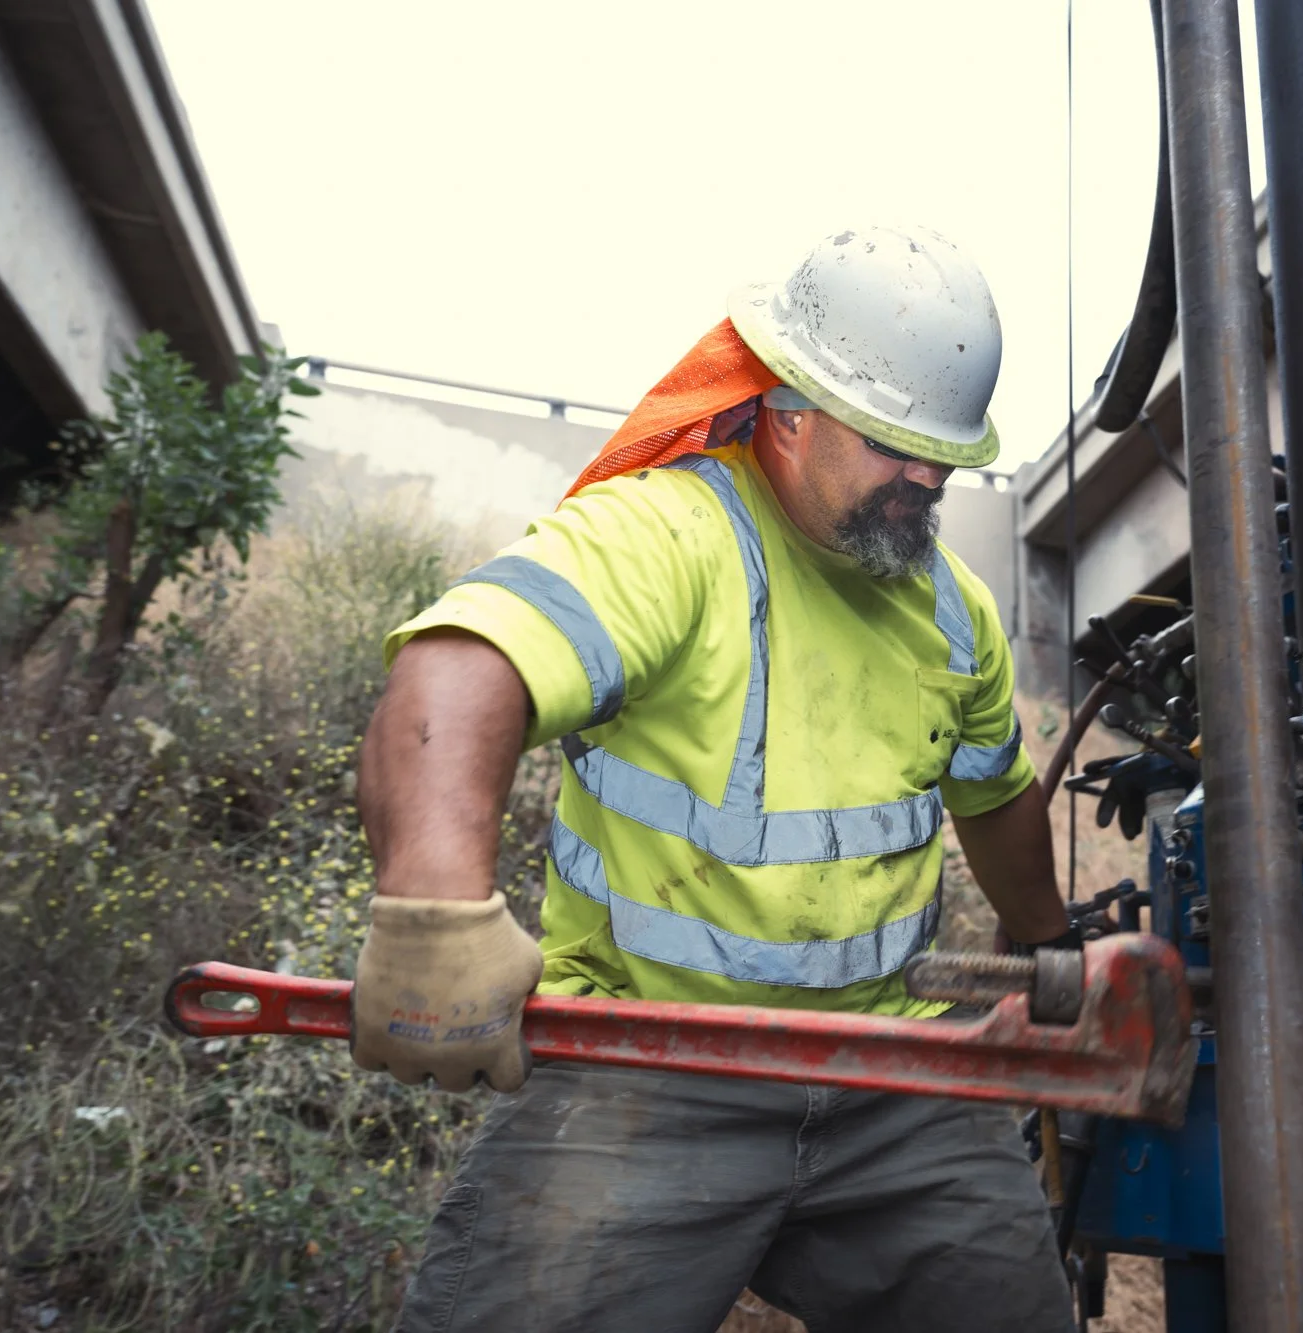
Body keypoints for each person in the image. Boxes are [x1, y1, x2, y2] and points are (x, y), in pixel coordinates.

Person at [351, 224, 1080, 1332]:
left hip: (889, 1072)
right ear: (787, 413)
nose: (926, 474)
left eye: (943, 451)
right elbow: (458, 669)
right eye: (893, 442)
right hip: (644, 1064)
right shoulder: (666, 535)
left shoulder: (950, 607)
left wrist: (1048, 949)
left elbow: (996, 797)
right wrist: (435, 909)